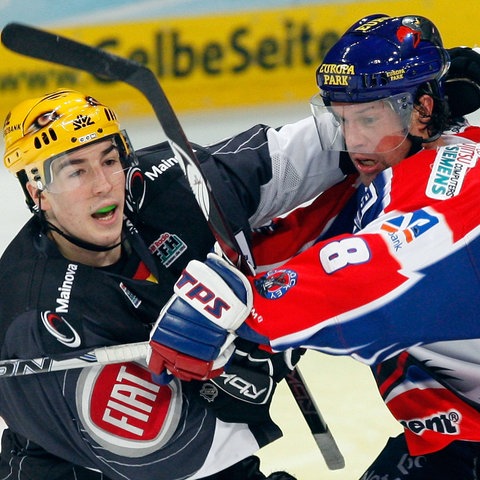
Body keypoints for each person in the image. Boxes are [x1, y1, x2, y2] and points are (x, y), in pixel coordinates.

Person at [147, 14, 480, 478]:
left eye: (368, 118)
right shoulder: (389, 170)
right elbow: (306, 243)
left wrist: (253, 308)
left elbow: (374, 277)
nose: (353, 139)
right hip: (455, 436)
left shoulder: (457, 185)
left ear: (422, 111)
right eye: (342, 119)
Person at [0, 88, 354, 479]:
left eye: (109, 160)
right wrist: (254, 346)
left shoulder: (168, 184)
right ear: (38, 193)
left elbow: (293, 158)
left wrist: (376, 124)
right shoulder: (35, 320)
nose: (103, 185)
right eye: (77, 171)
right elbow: (176, 455)